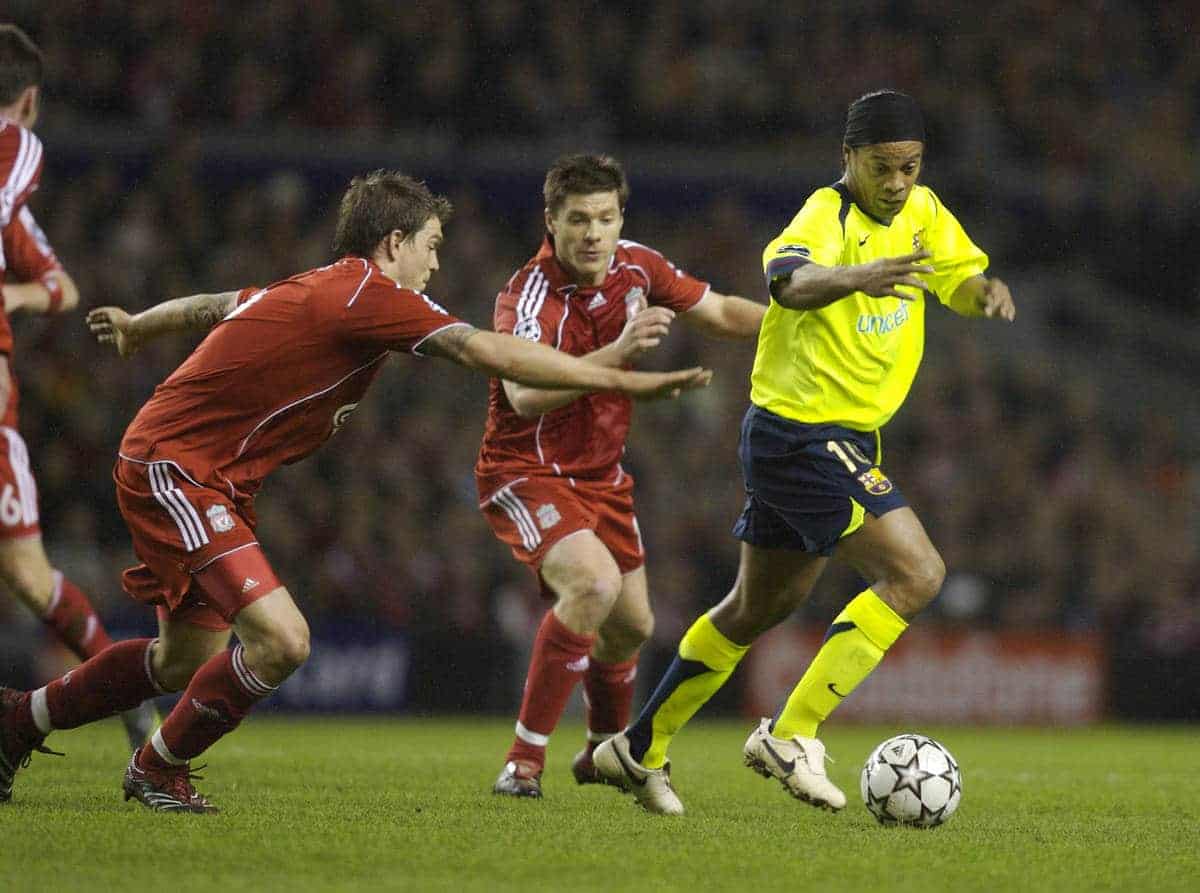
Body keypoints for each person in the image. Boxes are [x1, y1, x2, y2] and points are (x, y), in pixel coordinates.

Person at [0, 170, 711, 812]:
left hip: (193, 471)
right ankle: (157, 768)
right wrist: (620, 377)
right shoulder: (370, 296)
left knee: (179, 660)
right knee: (283, 641)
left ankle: (18, 719)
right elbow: (486, 351)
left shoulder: (321, 286)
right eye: (430, 244)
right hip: (179, 470)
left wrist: (138, 326)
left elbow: (218, 303)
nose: (436, 262)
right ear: (394, 241)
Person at [594, 90, 1016, 815]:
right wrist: (860, 276)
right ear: (847, 158)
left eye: (909, 167)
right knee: (917, 573)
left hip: (833, 435)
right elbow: (788, 282)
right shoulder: (825, 216)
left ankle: (636, 746)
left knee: (757, 606)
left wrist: (983, 292)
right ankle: (792, 732)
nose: (896, 182)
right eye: (881, 167)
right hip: (803, 434)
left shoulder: (923, 211)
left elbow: (955, 276)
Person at [478, 154, 765, 798]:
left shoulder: (638, 264)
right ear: (549, 222)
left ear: (620, 219)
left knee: (634, 626)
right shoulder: (528, 296)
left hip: (602, 478)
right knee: (593, 585)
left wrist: (802, 324)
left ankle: (601, 752)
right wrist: (620, 355)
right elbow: (523, 395)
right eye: (577, 219)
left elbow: (717, 312)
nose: (592, 233)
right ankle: (522, 762)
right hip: (526, 470)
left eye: (604, 218)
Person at [0, 23, 156, 752]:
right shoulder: (16, 138)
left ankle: (122, 696)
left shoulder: (14, 179)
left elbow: (60, 286)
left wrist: (16, 297)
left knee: (31, 578)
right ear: (30, 99)